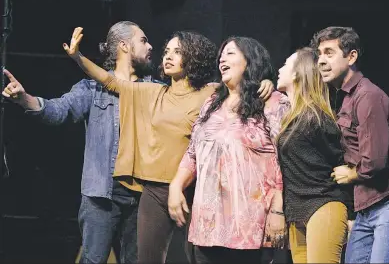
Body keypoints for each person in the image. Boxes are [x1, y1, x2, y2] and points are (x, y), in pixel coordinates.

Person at [61, 27, 273, 264]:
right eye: (167, 52)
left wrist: (265, 82)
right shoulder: (153, 92)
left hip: (193, 190)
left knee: (199, 257)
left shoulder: (211, 93)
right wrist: (77, 57)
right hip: (154, 192)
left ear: (193, 57)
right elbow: (109, 81)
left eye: (178, 51)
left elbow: (242, 87)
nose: (168, 56)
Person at [2, 21, 153, 263]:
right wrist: (24, 99)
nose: (150, 46)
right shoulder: (92, 88)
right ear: (124, 46)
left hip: (142, 196)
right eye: (143, 40)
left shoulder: (154, 89)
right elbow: (59, 110)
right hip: (102, 195)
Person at [312, 26, 389, 264]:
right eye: (319, 54)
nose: (321, 60)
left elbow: (374, 161)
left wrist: (351, 174)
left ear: (351, 56)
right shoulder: (346, 98)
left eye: (329, 53)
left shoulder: (367, 95)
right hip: (368, 204)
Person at [168, 36, 287, 264]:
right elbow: (193, 152)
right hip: (208, 225)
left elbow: (283, 161)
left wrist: (278, 210)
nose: (222, 58)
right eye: (221, 54)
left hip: (249, 224)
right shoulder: (211, 104)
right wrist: (176, 185)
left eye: (230, 53)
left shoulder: (273, 103)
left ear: (249, 61)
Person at [276, 47, 352, 263]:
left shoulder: (316, 119)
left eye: (285, 64)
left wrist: (353, 212)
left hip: (322, 204)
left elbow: (340, 160)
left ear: (298, 72)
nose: (279, 69)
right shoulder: (290, 117)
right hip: (296, 211)